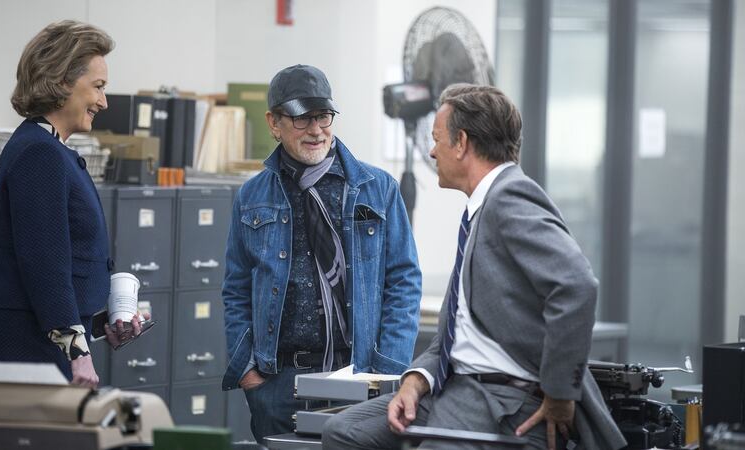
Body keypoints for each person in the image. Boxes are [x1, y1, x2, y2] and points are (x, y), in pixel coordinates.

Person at [322, 84, 627, 450]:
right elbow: (459, 328)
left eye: (437, 140)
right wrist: (416, 380)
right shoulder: (480, 209)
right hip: (455, 386)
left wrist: (561, 394)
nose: (432, 151)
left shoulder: (509, 197)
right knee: (342, 432)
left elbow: (578, 285)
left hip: (498, 399)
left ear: (462, 142)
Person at [222, 64, 422, 442]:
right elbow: (236, 289)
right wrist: (249, 373)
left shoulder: (377, 189)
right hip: (279, 383)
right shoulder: (251, 197)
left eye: (324, 117)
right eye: (302, 119)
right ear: (274, 122)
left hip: (361, 375)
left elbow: (404, 282)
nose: (316, 130)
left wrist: (388, 369)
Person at [0, 20, 145, 387]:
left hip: (42, 339)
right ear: (63, 81)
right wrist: (77, 351)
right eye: (97, 87)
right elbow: (44, 264)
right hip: (26, 346)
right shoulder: (39, 152)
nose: (103, 102)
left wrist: (100, 326)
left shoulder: (51, 148)